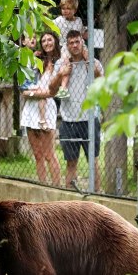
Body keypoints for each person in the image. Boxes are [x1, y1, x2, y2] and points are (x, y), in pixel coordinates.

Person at [49, 29, 104, 190]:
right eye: (71, 42)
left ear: (83, 43)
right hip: (68, 121)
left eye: (77, 41)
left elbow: (103, 86)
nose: (74, 45)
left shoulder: (94, 62)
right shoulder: (61, 63)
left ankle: (97, 196)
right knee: (71, 162)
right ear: (67, 45)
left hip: (90, 119)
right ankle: (70, 197)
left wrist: (93, 69)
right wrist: (60, 74)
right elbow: (51, 89)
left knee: (93, 160)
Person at [20, 31, 62, 186]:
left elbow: (53, 91)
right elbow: (24, 90)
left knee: (49, 154)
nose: (46, 43)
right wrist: (37, 93)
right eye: (43, 40)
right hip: (31, 109)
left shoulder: (61, 61)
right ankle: (42, 187)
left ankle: (57, 188)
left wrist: (35, 93)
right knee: (38, 155)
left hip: (47, 107)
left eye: (49, 39)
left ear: (55, 41)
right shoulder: (38, 60)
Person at [53, 0, 87, 100]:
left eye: (68, 8)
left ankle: (90, 82)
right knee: (66, 65)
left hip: (80, 45)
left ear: (75, 10)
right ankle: (63, 88)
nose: (65, 11)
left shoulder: (78, 21)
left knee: (88, 58)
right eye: (63, 8)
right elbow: (49, 24)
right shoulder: (59, 20)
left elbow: (82, 33)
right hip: (66, 46)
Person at [19, 36, 49, 130]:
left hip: (32, 86)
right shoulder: (22, 54)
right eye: (29, 37)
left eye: (35, 37)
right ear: (23, 42)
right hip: (26, 86)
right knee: (42, 95)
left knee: (42, 96)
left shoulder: (35, 56)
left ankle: (42, 120)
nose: (33, 39)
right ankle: (42, 120)